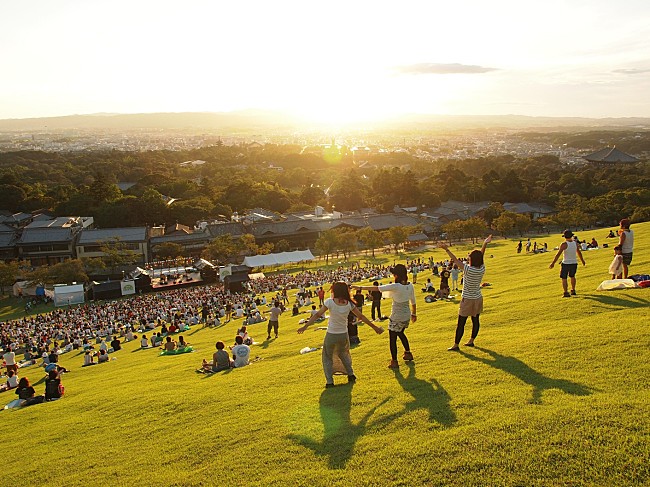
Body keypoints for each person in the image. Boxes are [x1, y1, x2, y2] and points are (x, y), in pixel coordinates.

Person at [298, 281, 384, 387]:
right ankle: (351, 374)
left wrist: (305, 326)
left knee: (327, 357)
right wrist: (375, 327)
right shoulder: (349, 304)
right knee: (344, 354)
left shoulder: (330, 302)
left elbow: (317, 315)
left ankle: (330, 381)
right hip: (343, 334)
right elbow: (361, 317)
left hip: (331, 334)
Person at [353, 264, 416, 369]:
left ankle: (394, 361)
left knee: (393, 338)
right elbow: (413, 301)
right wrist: (414, 314)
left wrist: (360, 287)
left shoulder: (396, 286)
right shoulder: (410, 286)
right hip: (406, 315)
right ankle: (408, 353)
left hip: (397, 316)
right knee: (400, 333)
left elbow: (378, 288)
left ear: (397, 275)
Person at [440, 235, 492, 351]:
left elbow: (456, 260)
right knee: (475, 320)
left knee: (461, 323)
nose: (468, 259)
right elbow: (481, 256)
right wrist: (484, 243)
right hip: (478, 298)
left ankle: (456, 345)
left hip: (467, 299)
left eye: (469, 258)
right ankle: (471, 341)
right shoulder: (481, 268)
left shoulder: (468, 270)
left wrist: (447, 249)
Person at [549, 230, 586, 297]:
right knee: (572, 276)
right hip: (574, 263)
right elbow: (579, 252)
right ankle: (573, 290)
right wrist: (582, 260)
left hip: (566, 263)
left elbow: (558, 254)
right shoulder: (575, 243)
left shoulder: (564, 244)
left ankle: (566, 292)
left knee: (564, 278)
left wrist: (553, 263)